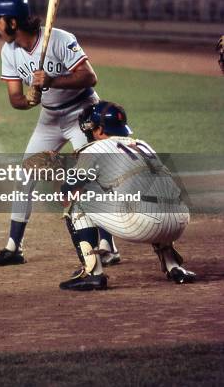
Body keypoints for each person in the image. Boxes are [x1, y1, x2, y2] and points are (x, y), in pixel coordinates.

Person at [0, 0, 120, 267]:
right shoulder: (9, 51)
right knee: (25, 176)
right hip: (49, 118)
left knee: (90, 178)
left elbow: (90, 76)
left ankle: (108, 245)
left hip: (82, 112)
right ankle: (14, 247)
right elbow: (15, 100)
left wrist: (53, 80)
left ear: (11, 22)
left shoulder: (59, 38)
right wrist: (30, 99)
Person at [58, 101, 196, 291]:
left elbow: (68, 190)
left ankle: (93, 273)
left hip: (144, 224)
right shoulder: (143, 144)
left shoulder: (94, 149)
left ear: (98, 130)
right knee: (152, 195)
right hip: (180, 220)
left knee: (76, 204)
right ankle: (174, 267)